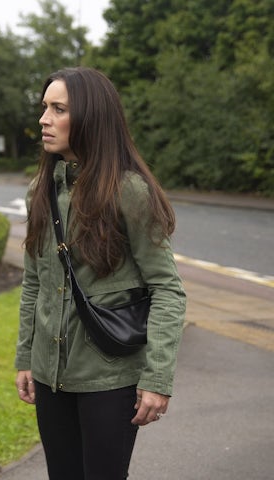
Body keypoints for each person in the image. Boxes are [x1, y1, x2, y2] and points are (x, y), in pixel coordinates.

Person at [14, 67, 186, 480]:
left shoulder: (130, 191)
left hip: (110, 378)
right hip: (50, 374)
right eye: (45, 108)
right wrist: (26, 357)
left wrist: (157, 378)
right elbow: (34, 282)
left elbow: (167, 289)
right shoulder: (41, 190)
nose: (44, 119)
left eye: (58, 109)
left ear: (90, 117)